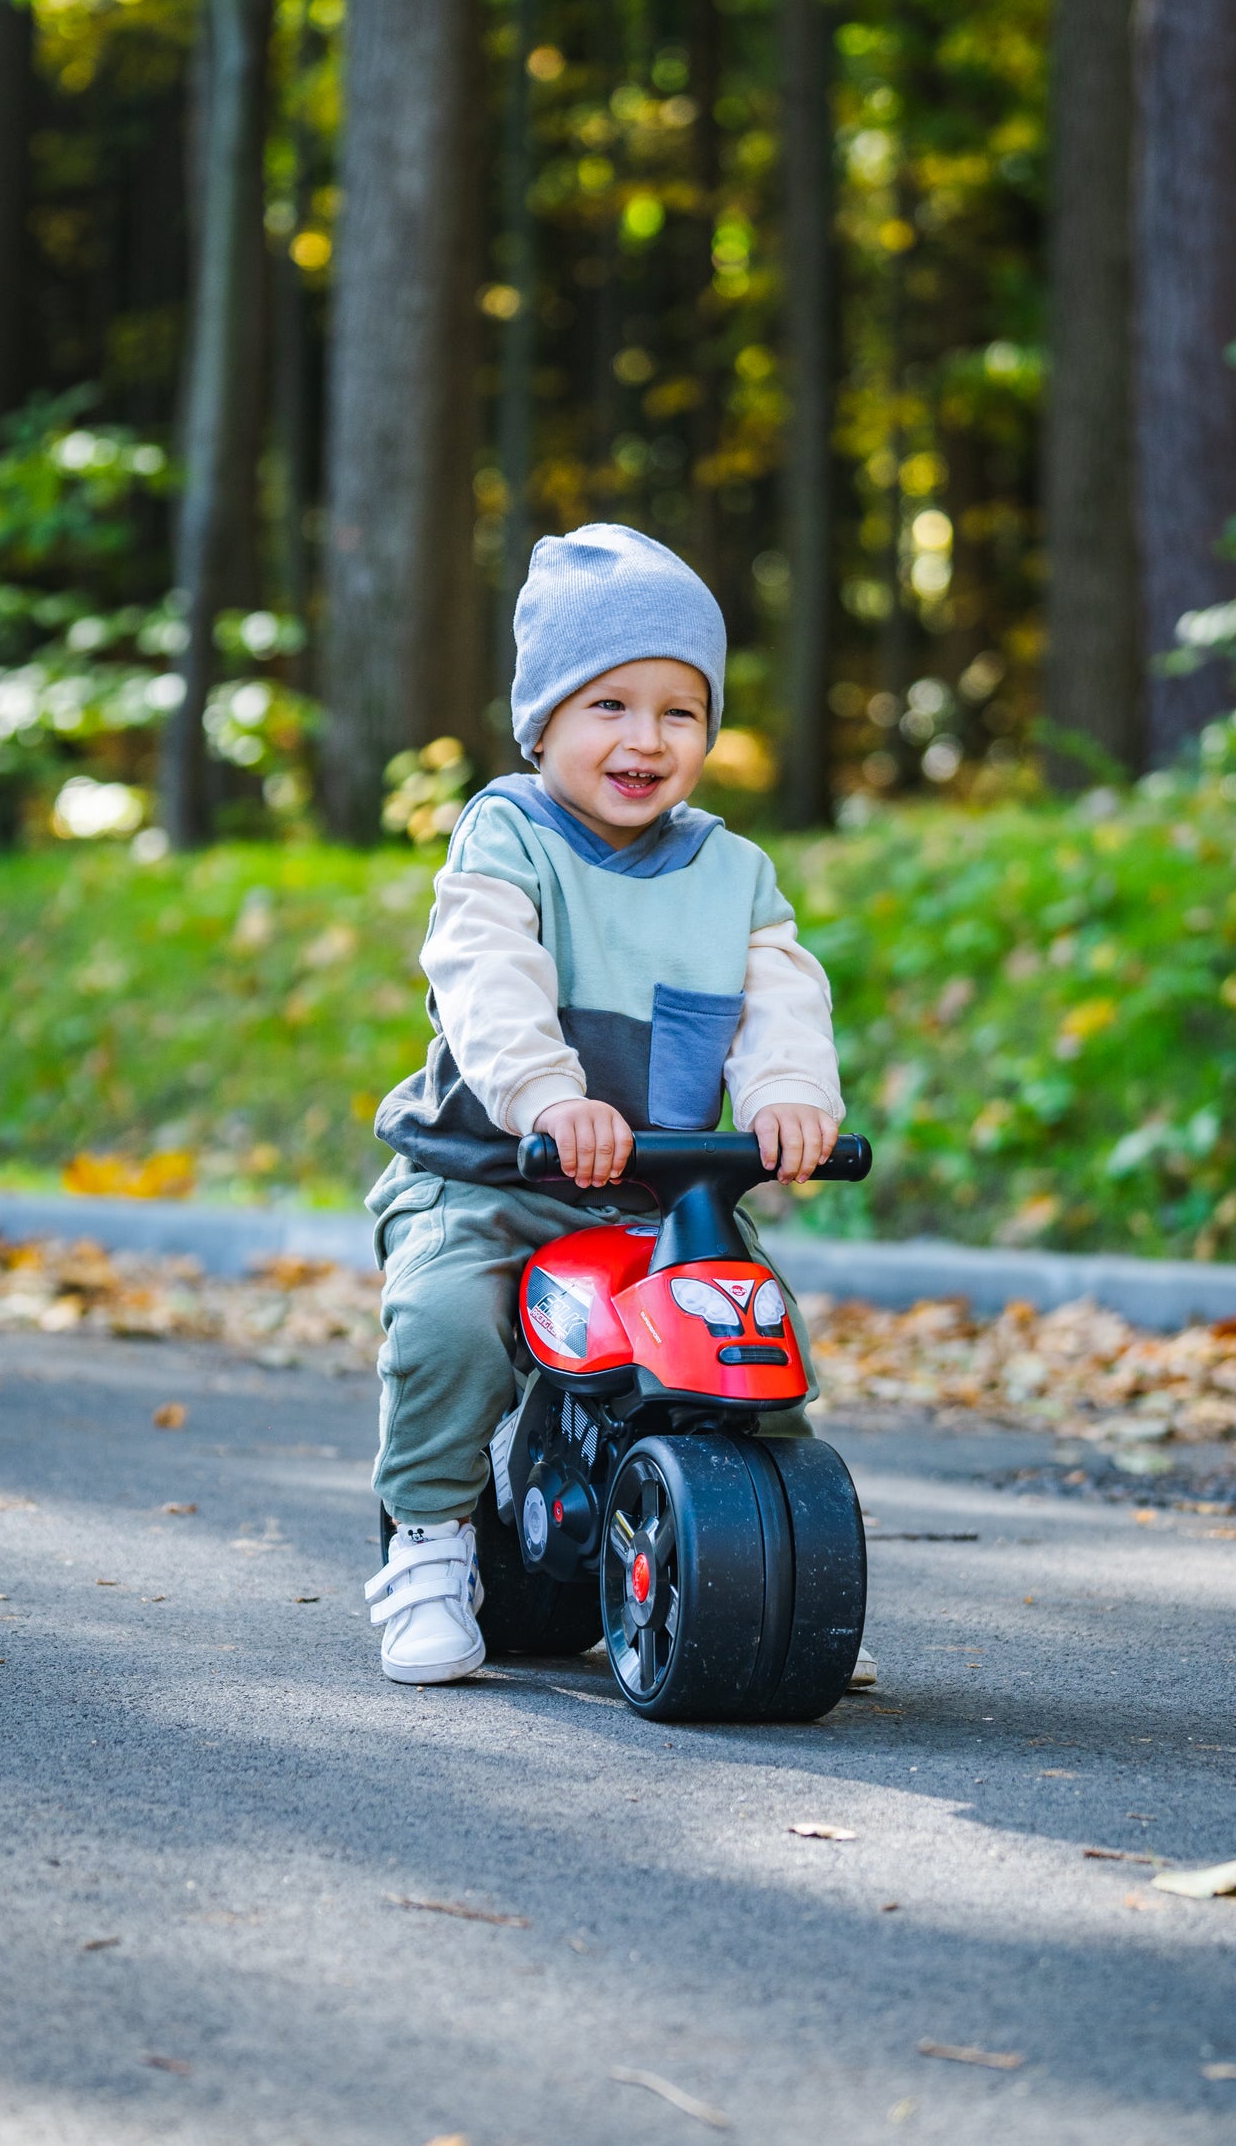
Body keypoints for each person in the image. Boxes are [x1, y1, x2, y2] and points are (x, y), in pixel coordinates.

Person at [363, 523, 875, 1691]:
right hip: (490, 1171)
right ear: (542, 720)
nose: (645, 739)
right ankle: (432, 1546)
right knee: (443, 1324)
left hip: (660, 1186)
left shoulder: (728, 868)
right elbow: (485, 972)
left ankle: (771, 1562)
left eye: (678, 711)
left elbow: (778, 992)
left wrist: (789, 1096)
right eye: (608, 706)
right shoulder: (508, 833)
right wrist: (547, 1093)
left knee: (752, 1332)